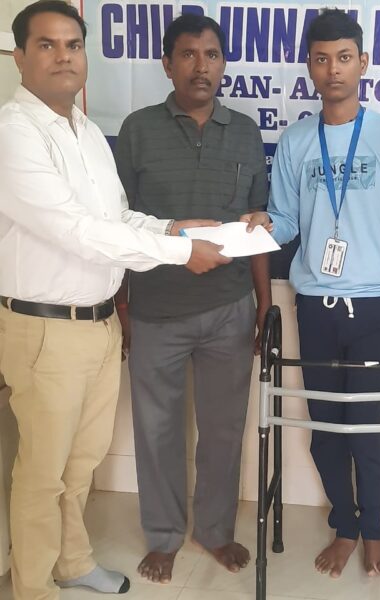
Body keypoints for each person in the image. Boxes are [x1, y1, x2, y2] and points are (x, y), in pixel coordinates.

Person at [0, 2, 230, 600]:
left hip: (98, 325)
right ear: (19, 56)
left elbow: (117, 216)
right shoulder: (13, 132)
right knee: (42, 474)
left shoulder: (83, 131)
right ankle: (33, 588)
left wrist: (173, 228)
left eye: (73, 45)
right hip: (46, 329)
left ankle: (73, 562)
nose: (63, 57)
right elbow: (76, 230)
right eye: (46, 45)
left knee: (81, 464)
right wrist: (180, 252)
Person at [243, 8, 380, 579]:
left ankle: (374, 530)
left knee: (366, 427)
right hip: (314, 306)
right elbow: (288, 221)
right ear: (309, 66)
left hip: (376, 307)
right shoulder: (296, 141)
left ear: (363, 62)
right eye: (321, 59)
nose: (333, 69)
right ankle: (345, 525)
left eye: (344, 58)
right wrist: (266, 222)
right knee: (325, 427)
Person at [114, 14, 270, 584]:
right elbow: (116, 224)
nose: (201, 66)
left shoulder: (245, 132)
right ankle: (162, 536)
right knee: (156, 431)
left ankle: (214, 530)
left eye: (211, 55)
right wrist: (123, 307)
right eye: (187, 54)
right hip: (155, 309)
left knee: (223, 431)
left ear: (223, 63)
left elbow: (258, 225)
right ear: (167, 63)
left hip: (230, 310)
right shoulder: (137, 130)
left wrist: (263, 306)